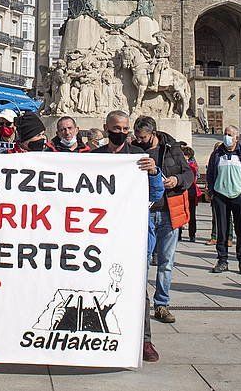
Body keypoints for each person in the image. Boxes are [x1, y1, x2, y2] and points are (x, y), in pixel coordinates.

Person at [91, 110, 162, 363]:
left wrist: (154, 173)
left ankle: (145, 341)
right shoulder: (94, 158)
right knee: (98, 287)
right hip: (98, 236)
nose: (120, 132)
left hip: (130, 235)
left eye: (124, 129)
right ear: (106, 127)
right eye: (116, 128)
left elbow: (156, 195)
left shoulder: (138, 158)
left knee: (137, 288)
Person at [132, 116, 193, 324]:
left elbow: (189, 175)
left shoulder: (171, 148)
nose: (140, 140)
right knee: (143, 260)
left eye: (144, 137)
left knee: (166, 261)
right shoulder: (134, 150)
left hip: (168, 210)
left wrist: (177, 180)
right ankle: (139, 301)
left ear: (154, 133)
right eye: (137, 137)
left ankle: (161, 304)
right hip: (144, 212)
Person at [206, 125, 241, 275]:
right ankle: (222, 260)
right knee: (222, 230)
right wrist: (212, 192)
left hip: (239, 195)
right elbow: (210, 175)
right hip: (221, 196)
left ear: (236, 138)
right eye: (225, 134)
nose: (226, 137)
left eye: (230, 134)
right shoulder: (216, 154)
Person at [182, 146, 202, 243]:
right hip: (190, 193)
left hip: (188, 192)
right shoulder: (194, 165)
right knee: (188, 214)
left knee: (191, 215)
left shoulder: (191, 166)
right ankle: (190, 235)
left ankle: (191, 234)